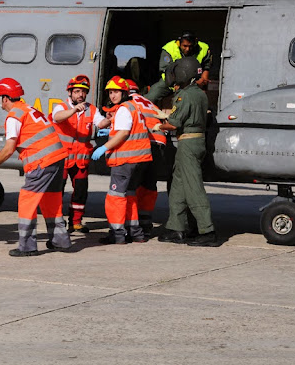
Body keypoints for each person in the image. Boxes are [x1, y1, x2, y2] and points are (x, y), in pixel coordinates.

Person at [0, 78, 72, 257]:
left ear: (5, 98)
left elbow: (8, 149)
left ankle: (27, 246)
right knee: (51, 200)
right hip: (57, 158)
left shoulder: (14, 115)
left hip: (41, 161)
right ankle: (60, 240)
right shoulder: (29, 109)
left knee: (26, 201)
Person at [155, 57, 218, 247]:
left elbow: (174, 123)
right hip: (195, 142)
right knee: (178, 186)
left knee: (193, 188)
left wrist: (159, 125)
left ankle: (207, 231)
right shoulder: (199, 93)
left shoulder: (183, 95)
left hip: (188, 144)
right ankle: (177, 227)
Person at [91, 76, 152, 244]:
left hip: (125, 160)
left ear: (124, 92)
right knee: (130, 195)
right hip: (139, 159)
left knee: (115, 196)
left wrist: (105, 147)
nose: (112, 95)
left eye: (116, 92)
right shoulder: (133, 107)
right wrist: (110, 131)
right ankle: (136, 232)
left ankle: (117, 234)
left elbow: (124, 133)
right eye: (110, 92)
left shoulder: (124, 109)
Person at [50, 74, 110, 233]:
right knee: (57, 192)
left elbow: (101, 123)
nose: (80, 95)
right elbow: (57, 118)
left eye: (83, 92)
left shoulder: (92, 109)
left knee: (81, 192)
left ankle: (76, 222)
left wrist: (110, 119)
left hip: (81, 159)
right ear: (69, 93)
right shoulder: (61, 107)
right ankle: (56, 222)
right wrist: (73, 110)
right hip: (62, 158)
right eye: (77, 91)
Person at [126, 79, 168, 237]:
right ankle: (145, 222)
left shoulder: (128, 103)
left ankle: (132, 223)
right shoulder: (149, 103)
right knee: (149, 185)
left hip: (143, 144)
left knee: (133, 184)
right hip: (159, 145)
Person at [145, 31, 211, 104]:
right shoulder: (169, 49)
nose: (187, 49)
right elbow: (166, 70)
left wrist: (203, 81)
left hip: (194, 83)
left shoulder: (203, 48)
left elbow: (206, 67)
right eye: (185, 46)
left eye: (190, 46)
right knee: (151, 96)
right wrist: (175, 85)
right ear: (179, 43)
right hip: (170, 81)